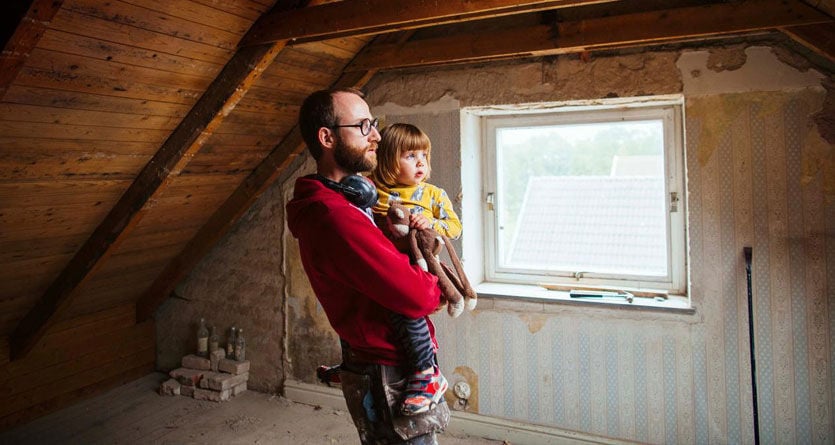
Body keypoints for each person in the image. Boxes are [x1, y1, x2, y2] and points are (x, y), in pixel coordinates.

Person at [286, 88, 450, 444]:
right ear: (327, 137)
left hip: (376, 356)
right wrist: (436, 283)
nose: (376, 135)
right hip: (388, 367)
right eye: (363, 126)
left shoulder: (348, 199)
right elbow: (420, 297)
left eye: (373, 124)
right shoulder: (336, 217)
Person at [370, 123, 462, 416]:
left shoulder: (433, 195)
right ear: (386, 160)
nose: (421, 162)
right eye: (410, 155)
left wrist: (430, 225)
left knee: (406, 313)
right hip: (383, 264)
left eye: (424, 155)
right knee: (380, 319)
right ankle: (363, 364)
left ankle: (427, 373)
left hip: (417, 265)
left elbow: (454, 228)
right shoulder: (375, 191)